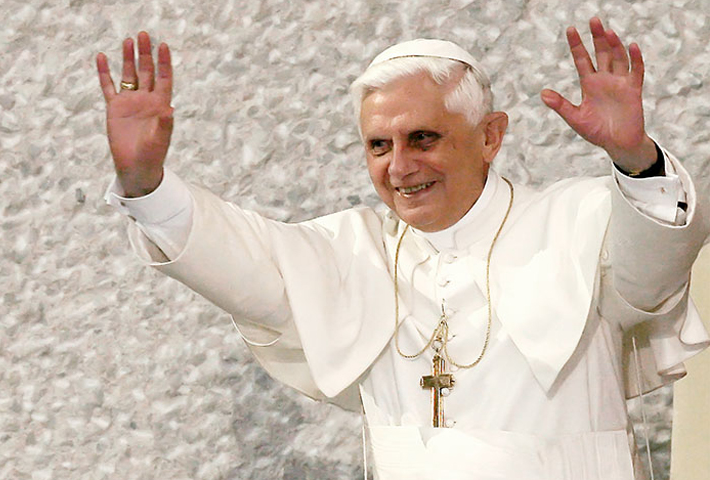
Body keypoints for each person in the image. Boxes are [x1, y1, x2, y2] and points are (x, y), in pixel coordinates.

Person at [97, 17, 709, 479]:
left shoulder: (577, 220)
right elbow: (229, 253)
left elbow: (652, 272)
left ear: (490, 136)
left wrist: (634, 158)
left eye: (423, 138)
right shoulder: (352, 252)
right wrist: (145, 185)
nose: (400, 166)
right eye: (379, 146)